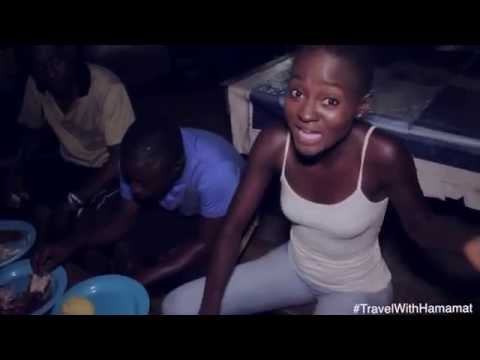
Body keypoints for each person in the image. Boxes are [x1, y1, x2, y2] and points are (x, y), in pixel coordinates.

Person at [161, 45, 480, 315]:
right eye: (297, 92)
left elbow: (422, 227)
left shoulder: (383, 155)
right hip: (293, 266)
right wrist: (210, 308)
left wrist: (466, 243)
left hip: (359, 289)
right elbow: (232, 228)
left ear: (361, 107)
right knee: (177, 305)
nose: (306, 113)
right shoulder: (274, 143)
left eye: (330, 100)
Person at [32, 119, 246, 288]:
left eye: (142, 184)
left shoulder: (217, 173)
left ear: (176, 168)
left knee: (198, 276)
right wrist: (71, 243)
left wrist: (142, 278)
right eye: (131, 180)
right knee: (118, 238)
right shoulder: (139, 168)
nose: (134, 189)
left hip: (227, 216)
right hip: (182, 206)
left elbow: (205, 243)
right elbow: (123, 221)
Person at [12, 45, 135, 241]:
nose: (50, 73)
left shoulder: (109, 88)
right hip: (68, 161)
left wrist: (73, 200)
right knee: (34, 204)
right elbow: (31, 133)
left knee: (99, 220)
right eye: (41, 67)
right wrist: (18, 171)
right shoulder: (36, 84)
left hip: (105, 169)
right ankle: (48, 262)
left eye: (56, 62)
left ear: (71, 57)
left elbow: (119, 160)